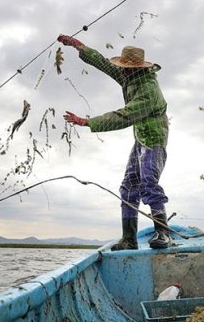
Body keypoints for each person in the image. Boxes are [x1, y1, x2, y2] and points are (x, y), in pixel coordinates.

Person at [57, 34, 171, 250]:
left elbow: (125, 116)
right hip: (140, 139)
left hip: (154, 139)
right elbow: (102, 63)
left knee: (148, 182)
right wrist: (78, 46)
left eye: (128, 68)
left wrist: (86, 122)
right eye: (123, 68)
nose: (123, 71)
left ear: (139, 67)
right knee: (128, 186)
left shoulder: (148, 90)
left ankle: (163, 233)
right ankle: (129, 240)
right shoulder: (129, 76)